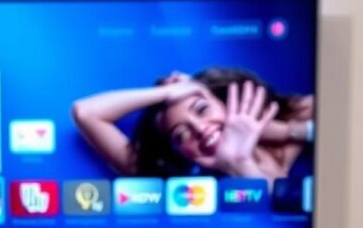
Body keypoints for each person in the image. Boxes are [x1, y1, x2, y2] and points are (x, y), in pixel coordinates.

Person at [71, 68, 314, 187]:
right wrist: (167, 93)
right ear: (178, 154)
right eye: (181, 135)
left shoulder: (297, 119)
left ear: (223, 102)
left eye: (202, 109)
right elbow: (86, 112)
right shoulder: (189, 190)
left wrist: (281, 131)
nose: (199, 129)